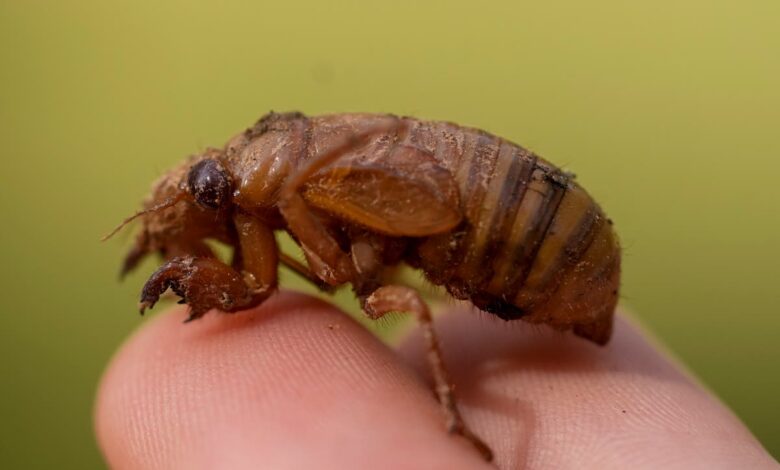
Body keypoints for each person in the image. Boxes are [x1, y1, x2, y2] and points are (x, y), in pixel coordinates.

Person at [95, 292, 777, 469]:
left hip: (541, 238)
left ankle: (450, 405)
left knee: (418, 312)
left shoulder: (301, 189)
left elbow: (254, 286)